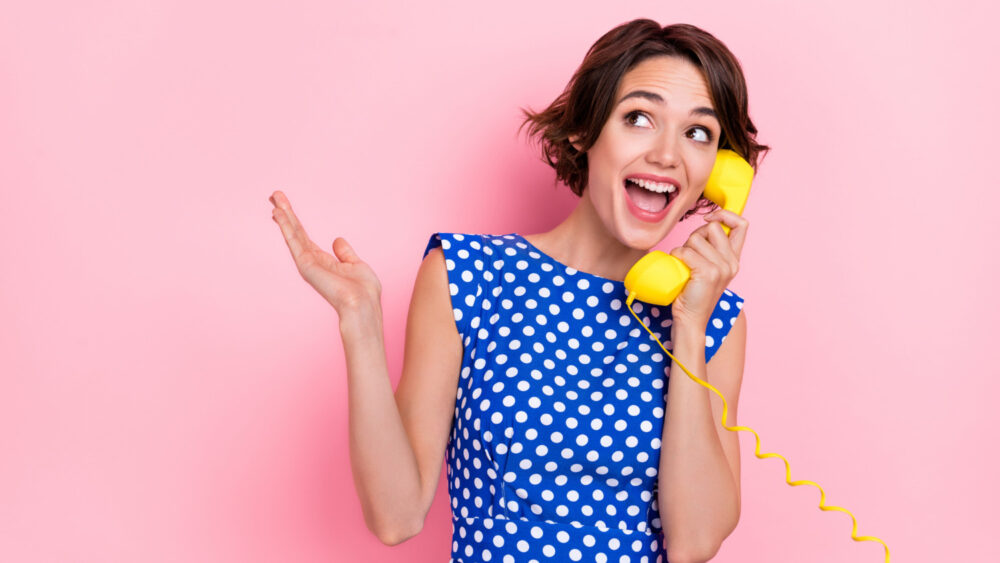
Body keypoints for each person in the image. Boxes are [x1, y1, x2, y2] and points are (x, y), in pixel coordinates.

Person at [270, 18, 768, 563]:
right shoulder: (467, 275)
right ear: (584, 130)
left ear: (719, 169)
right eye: (639, 119)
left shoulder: (714, 319)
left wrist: (690, 324)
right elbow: (396, 516)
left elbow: (696, 542)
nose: (668, 155)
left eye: (698, 132)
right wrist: (360, 323)